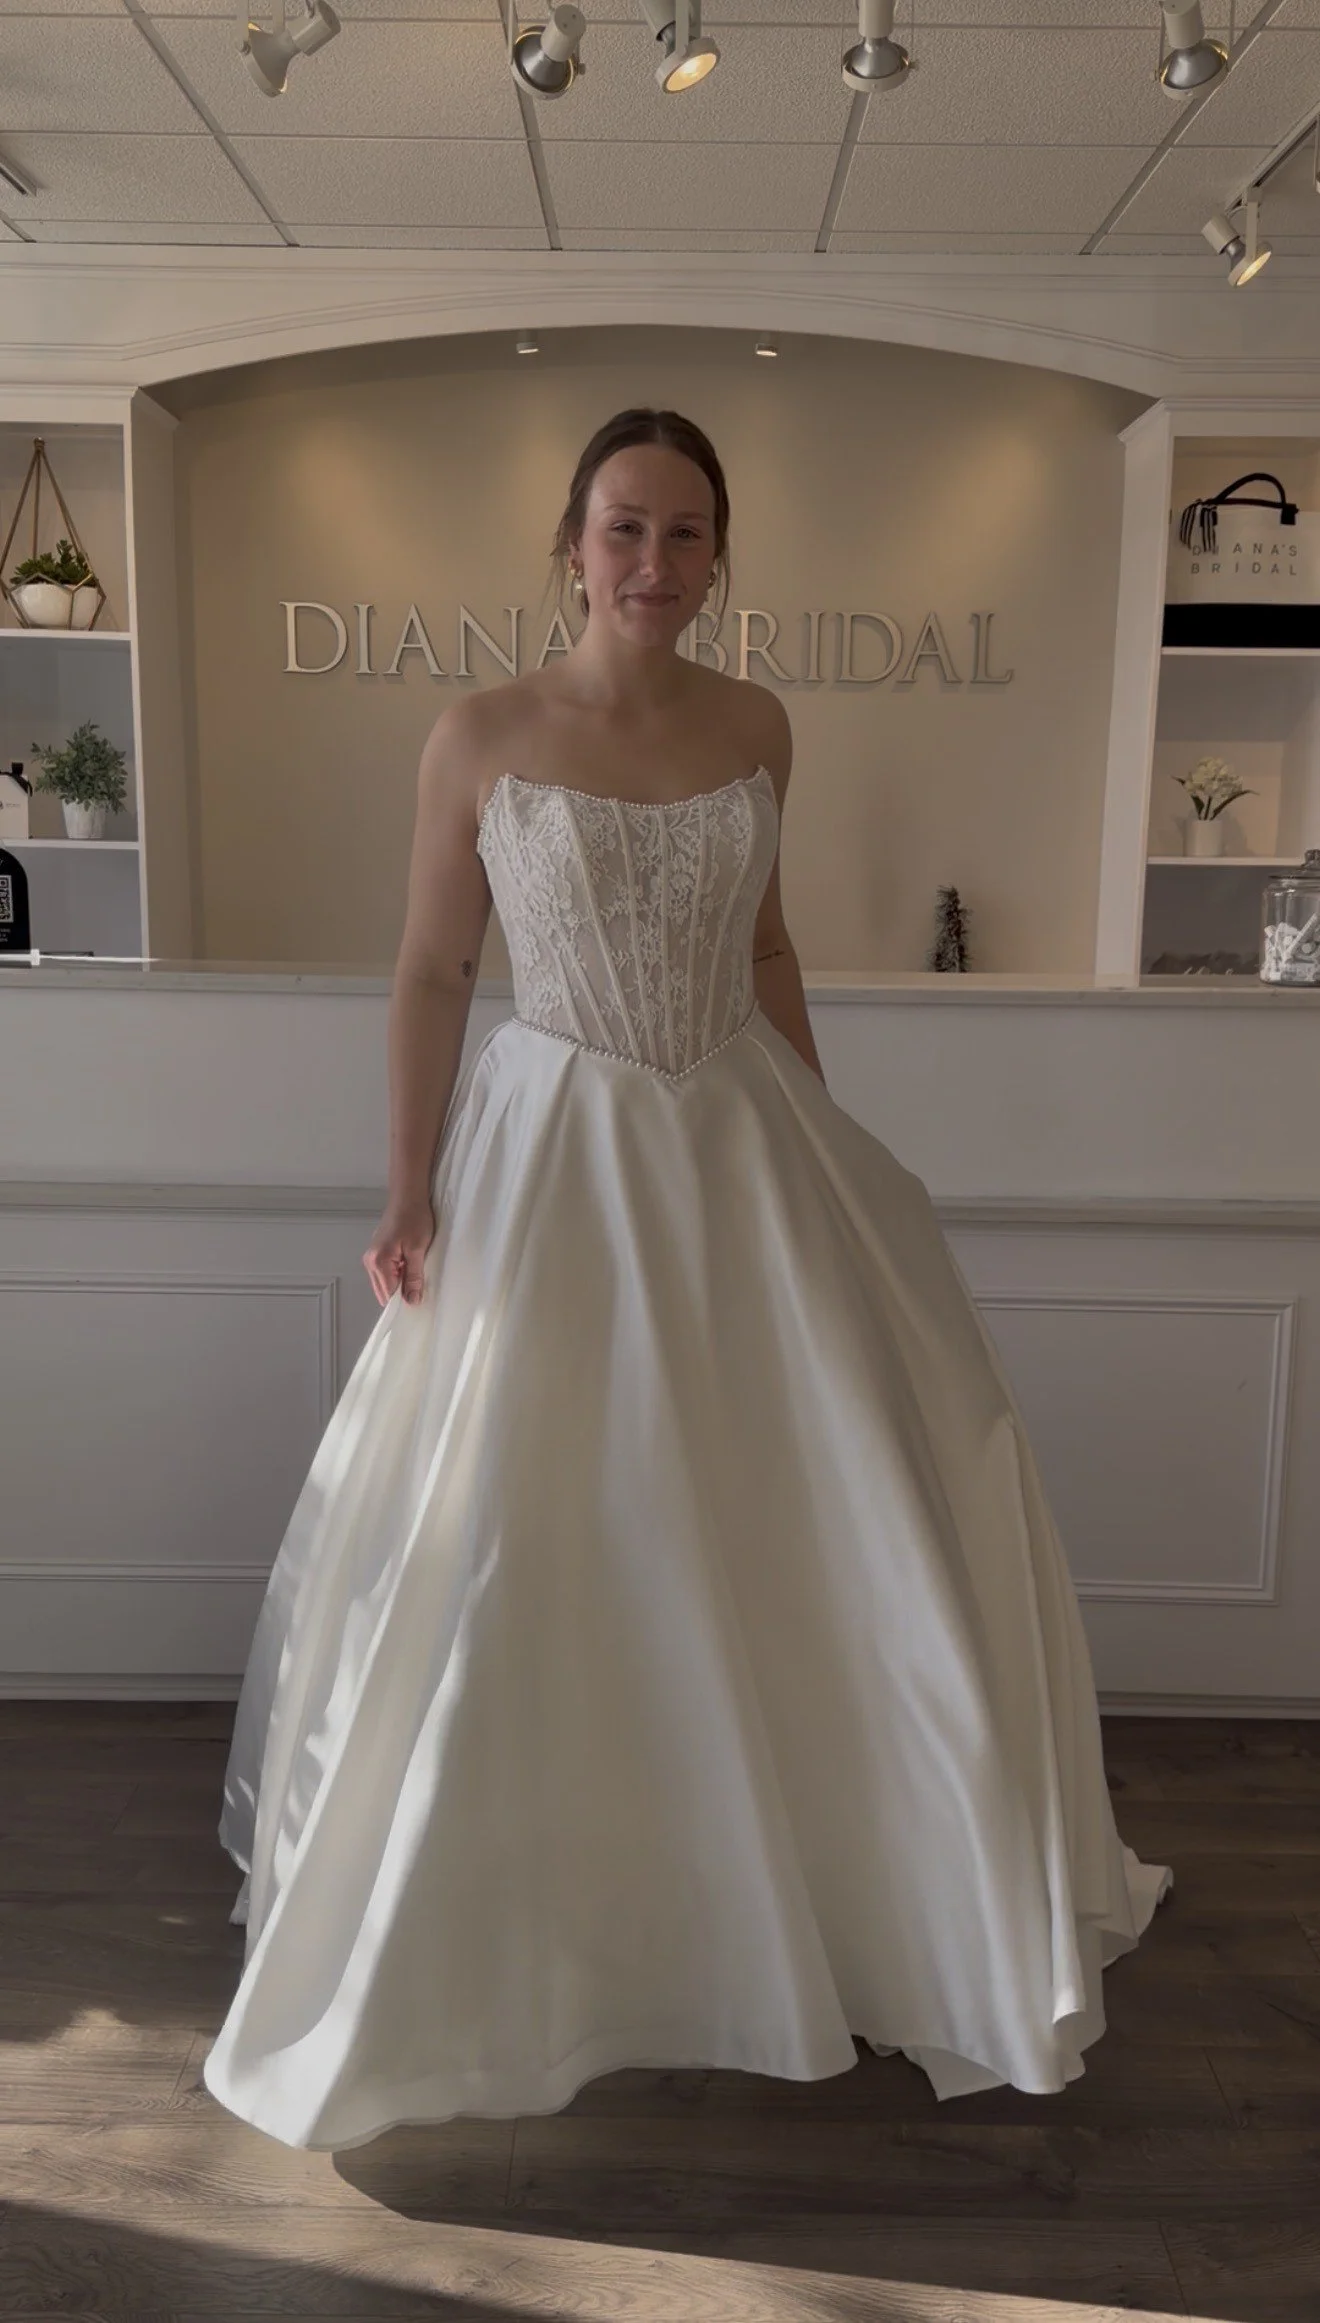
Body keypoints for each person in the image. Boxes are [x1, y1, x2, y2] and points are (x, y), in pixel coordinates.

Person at [203, 405, 1171, 2154]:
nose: (656, 564)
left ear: (723, 558)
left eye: (690, 536)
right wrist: (409, 1182)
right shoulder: (479, 732)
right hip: (555, 1145)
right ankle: (527, 1935)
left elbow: (774, 941)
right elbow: (434, 966)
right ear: (568, 542)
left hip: (738, 1139)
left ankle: (839, 1896)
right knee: (535, 1523)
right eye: (626, 529)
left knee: (812, 1518)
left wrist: (831, 1148)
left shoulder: (758, 724)